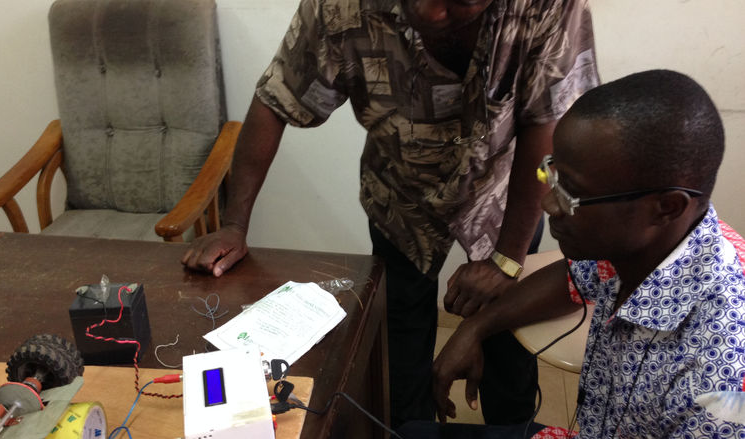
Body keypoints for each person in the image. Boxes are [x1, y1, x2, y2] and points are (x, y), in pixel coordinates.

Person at [181, 0, 599, 427]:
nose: (435, 12)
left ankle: (511, 428)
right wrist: (233, 224)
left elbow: (547, 120)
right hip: (399, 200)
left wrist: (506, 260)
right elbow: (276, 98)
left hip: (509, 195)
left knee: (509, 351)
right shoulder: (339, 6)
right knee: (399, 349)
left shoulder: (551, 5)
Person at [412, 69, 745, 438]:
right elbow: (573, 278)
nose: (549, 203)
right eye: (551, 174)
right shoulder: (651, 244)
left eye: (571, 193)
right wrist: (476, 327)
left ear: (666, 207)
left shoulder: (720, 381)